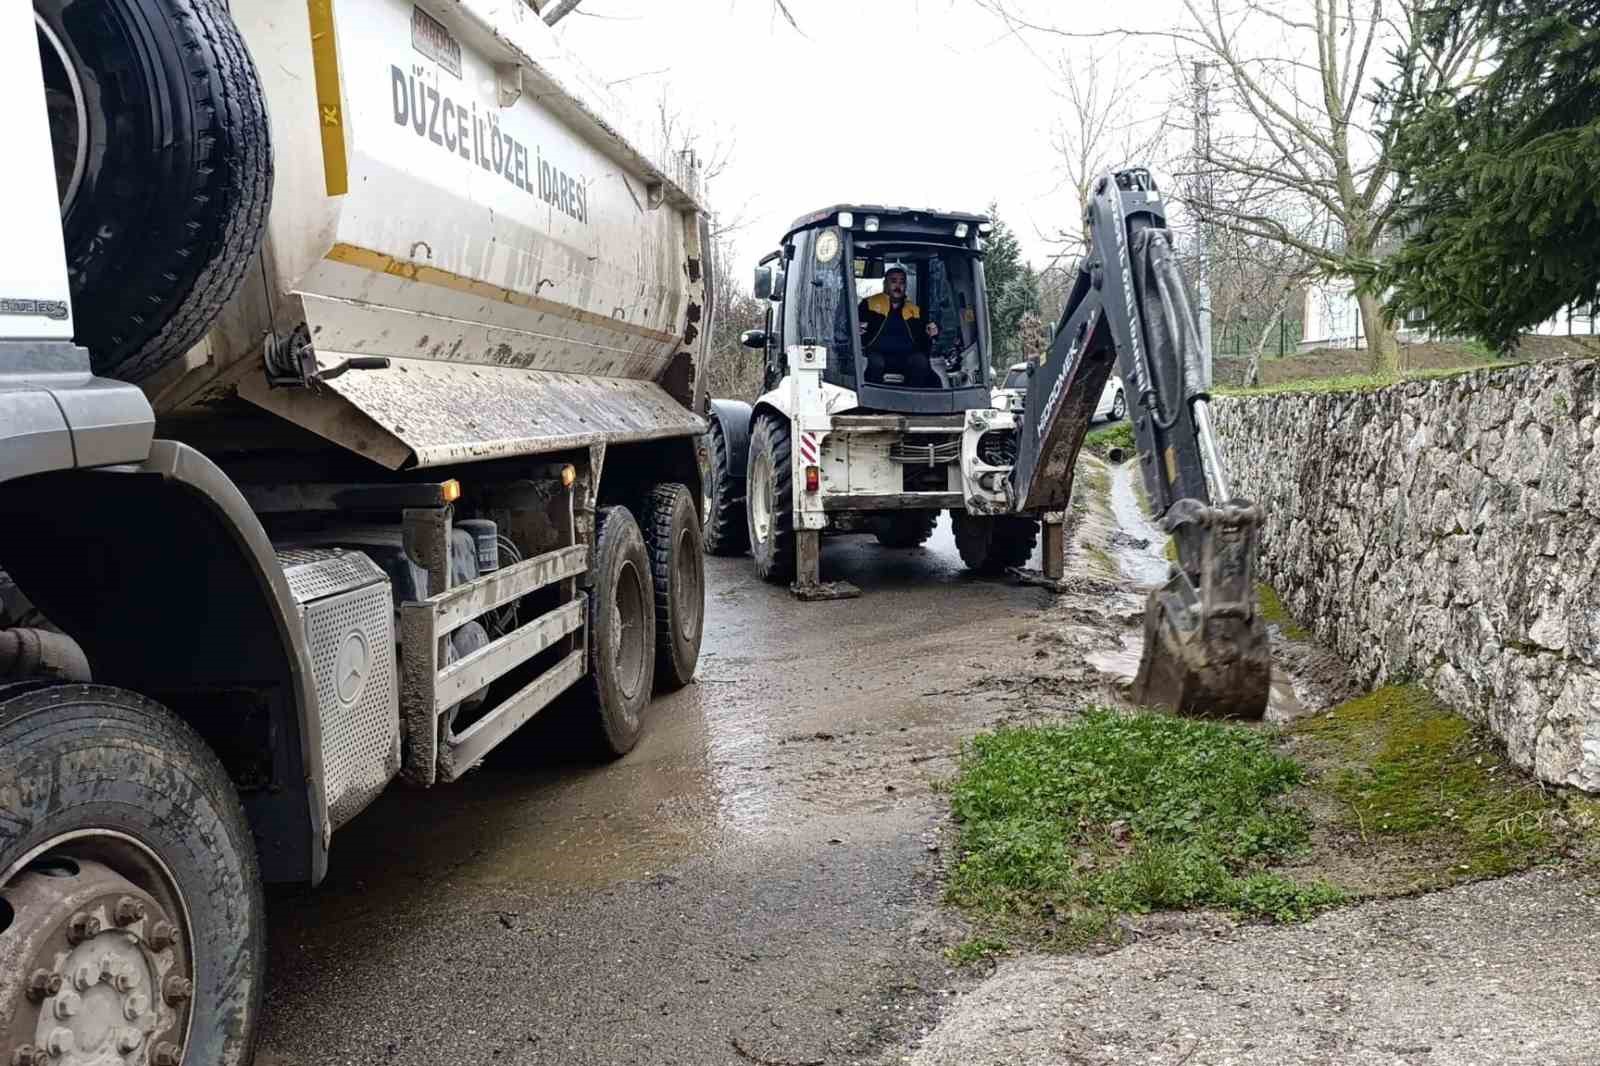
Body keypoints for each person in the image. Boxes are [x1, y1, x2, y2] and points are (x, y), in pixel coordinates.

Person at [858, 264, 941, 387]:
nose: (898, 286)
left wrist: (934, 331)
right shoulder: (868, 304)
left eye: (902, 282)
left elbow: (926, 332)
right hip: (878, 354)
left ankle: (914, 398)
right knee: (874, 363)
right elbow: (856, 327)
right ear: (885, 284)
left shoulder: (915, 310)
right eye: (893, 281)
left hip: (906, 356)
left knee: (921, 361)